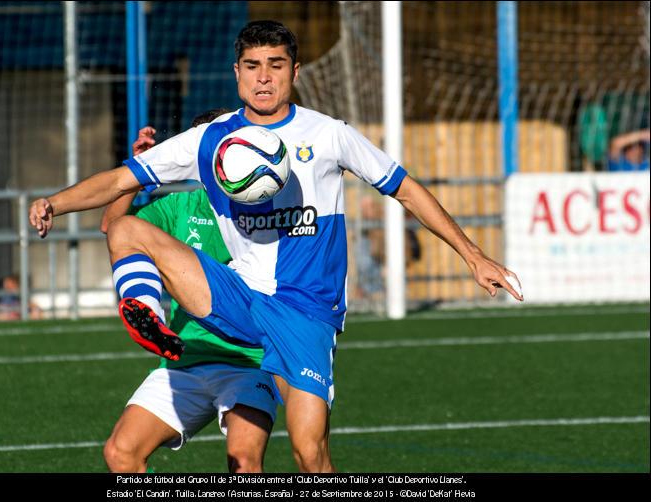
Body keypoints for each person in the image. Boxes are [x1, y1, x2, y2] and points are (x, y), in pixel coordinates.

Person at [29, 20, 523, 472]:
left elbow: (406, 188)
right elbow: (119, 179)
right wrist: (55, 201)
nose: (263, 78)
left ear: (295, 71)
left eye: (275, 65)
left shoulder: (329, 135)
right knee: (126, 229)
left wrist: (473, 255)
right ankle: (144, 313)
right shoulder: (209, 140)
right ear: (236, 73)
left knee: (311, 453)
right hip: (239, 297)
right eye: (252, 66)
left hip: (304, 314)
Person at [101, 110, 277, 474]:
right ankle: (148, 315)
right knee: (121, 452)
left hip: (248, 360)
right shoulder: (181, 206)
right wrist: (139, 168)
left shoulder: (268, 202)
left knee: (244, 461)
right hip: (184, 357)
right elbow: (114, 225)